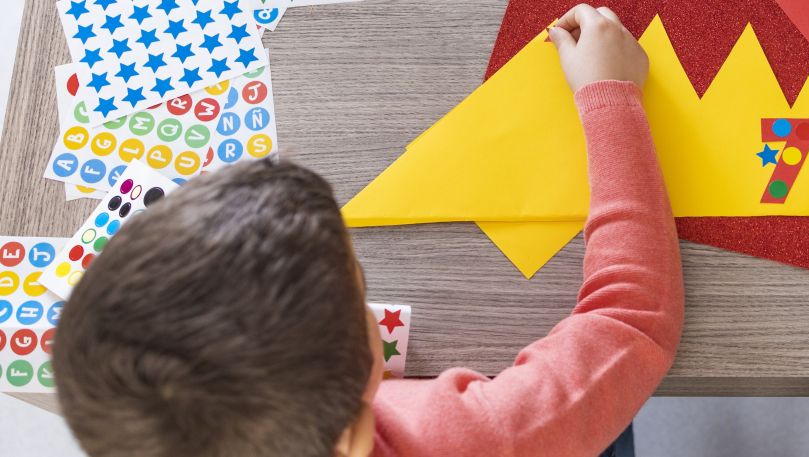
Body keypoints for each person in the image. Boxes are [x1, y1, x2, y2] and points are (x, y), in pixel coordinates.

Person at [52, 4, 682, 457]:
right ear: (352, 436)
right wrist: (610, 96)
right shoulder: (470, 439)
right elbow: (630, 320)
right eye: (358, 292)